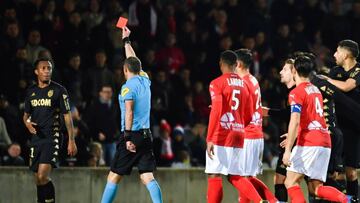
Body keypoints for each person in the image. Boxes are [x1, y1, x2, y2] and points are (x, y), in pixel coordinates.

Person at [100, 26, 163, 203]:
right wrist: (126, 40)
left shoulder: (127, 87)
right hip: (146, 134)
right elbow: (133, 60)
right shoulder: (145, 79)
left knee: (113, 177)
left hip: (132, 135)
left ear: (125, 70)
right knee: (147, 176)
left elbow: (129, 111)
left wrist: (127, 137)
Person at [282, 55, 347, 203]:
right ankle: (346, 200)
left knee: (290, 182)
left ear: (294, 71)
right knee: (315, 189)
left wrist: (288, 151)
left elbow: (295, 121)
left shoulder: (296, 93)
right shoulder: (315, 89)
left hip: (309, 142)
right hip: (324, 141)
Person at [205, 50, 263, 203]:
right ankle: (260, 201)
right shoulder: (244, 84)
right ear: (235, 64)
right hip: (239, 134)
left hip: (221, 134)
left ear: (221, 64)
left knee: (214, 174)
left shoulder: (216, 83)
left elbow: (216, 110)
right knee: (235, 175)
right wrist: (238, 126)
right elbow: (250, 113)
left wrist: (210, 137)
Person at [23, 57, 77, 203]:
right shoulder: (31, 91)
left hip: (52, 137)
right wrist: (27, 124)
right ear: (36, 71)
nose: (47, 71)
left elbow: (67, 116)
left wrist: (71, 140)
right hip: (36, 139)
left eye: (49, 68)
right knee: (38, 180)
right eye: (43, 68)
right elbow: (25, 116)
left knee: (42, 176)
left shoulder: (59, 90)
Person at [234, 48, 277, 203]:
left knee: (240, 178)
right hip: (256, 134)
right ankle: (274, 201)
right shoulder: (253, 80)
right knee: (248, 178)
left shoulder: (243, 83)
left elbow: (244, 112)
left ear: (238, 64)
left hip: (248, 135)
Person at [322, 40, 360, 202]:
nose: (334, 55)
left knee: (351, 172)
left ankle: (353, 199)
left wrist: (324, 80)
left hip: (354, 127)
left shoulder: (358, 71)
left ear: (346, 55)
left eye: (337, 52)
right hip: (336, 125)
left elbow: (346, 86)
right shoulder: (335, 71)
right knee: (335, 172)